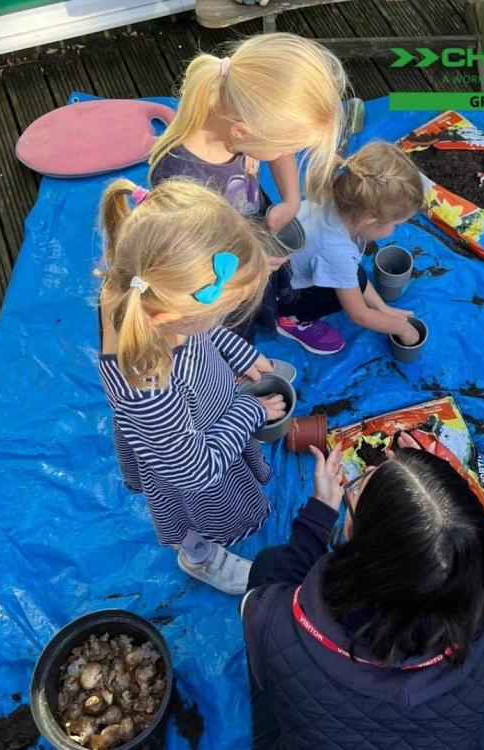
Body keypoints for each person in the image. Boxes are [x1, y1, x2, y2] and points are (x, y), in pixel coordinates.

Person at [241, 433, 484, 749]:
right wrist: (438, 502)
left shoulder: (273, 621)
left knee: (268, 565)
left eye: (358, 493)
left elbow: (268, 602)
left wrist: (318, 516)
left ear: (358, 543)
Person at [97, 178, 286, 595]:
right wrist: (250, 411)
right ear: (169, 315)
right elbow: (195, 471)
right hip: (190, 467)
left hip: (208, 416)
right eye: (222, 310)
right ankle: (198, 554)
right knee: (190, 515)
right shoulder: (149, 387)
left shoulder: (141, 289)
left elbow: (203, 328)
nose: (224, 317)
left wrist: (238, 353)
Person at [148, 33, 347, 341]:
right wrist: (246, 268)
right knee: (236, 329)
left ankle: (282, 317)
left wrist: (292, 200)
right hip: (221, 276)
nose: (289, 150)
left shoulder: (233, 120)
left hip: (250, 229)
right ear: (242, 133)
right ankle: (238, 370)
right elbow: (190, 265)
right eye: (288, 143)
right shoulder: (180, 181)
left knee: (269, 291)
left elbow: (278, 151)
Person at [276, 141, 425, 355]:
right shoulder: (337, 251)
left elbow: (354, 274)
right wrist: (401, 327)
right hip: (279, 295)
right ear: (369, 221)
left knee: (356, 276)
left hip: (279, 270)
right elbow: (359, 315)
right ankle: (289, 321)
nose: (394, 231)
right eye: (395, 225)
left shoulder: (336, 200)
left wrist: (383, 309)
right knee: (345, 289)